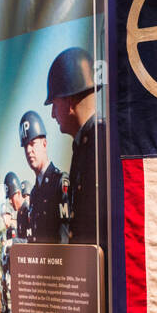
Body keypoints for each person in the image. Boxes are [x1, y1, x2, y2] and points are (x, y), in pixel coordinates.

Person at [46, 47, 101, 245]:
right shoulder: (84, 145)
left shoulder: (100, 144)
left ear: (69, 101)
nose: (52, 114)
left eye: (54, 104)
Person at [18, 110, 66, 243]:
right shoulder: (34, 193)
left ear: (44, 144)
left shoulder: (60, 182)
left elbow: (65, 239)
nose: (28, 150)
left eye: (33, 144)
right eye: (25, 146)